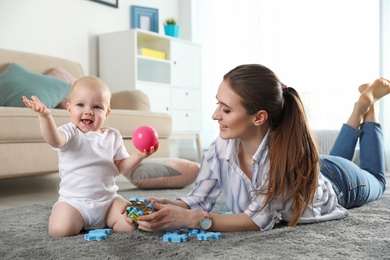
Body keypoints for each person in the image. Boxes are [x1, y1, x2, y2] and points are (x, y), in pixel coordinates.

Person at [122, 64, 388, 232]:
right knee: (325, 162)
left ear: (259, 117)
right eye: (218, 104)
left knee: (378, 179)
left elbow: (257, 219)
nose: (215, 115)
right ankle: (358, 109)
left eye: (226, 109)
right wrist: (169, 205)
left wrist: (191, 220)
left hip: (341, 183)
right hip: (315, 170)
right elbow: (200, 197)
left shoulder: (278, 162)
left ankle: (369, 107)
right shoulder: (220, 148)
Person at [23, 76, 152, 237]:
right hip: (75, 202)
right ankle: (73, 217)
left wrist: (139, 155)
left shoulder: (112, 136)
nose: (88, 111)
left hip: (108, 202)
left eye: (97, 107)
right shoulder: (70, 132)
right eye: (80, 105)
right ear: (69, 110)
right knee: (59, 230)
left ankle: (112, 220)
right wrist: (45, 117)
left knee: (129, 223)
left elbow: (121, 167)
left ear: (107, 113)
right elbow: (54, 140)